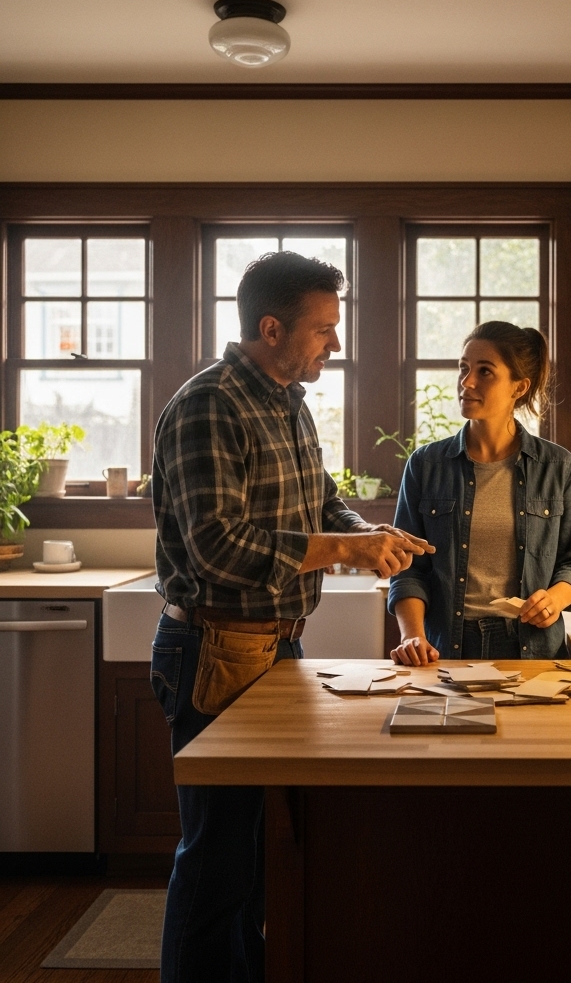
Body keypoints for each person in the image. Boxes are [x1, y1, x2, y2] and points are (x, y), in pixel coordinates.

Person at [148, 250, 433, 983]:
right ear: (271, 328)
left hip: (274, 649)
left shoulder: (287, 402)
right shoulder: (209, 404)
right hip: (215, 650)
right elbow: (216, 549)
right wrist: (344, 545)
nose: (334, 345)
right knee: (216, 861)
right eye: (322, 329)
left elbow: (322, 499)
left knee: (256, 854)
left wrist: (371, 538)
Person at [388, 321, 571, 665]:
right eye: (464, 368)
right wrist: (412, 635)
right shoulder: (425, 465)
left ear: (519, 387)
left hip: (535, 651)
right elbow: (408, 567)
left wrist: (555, 599)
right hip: (448, 650)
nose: (466, 382)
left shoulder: (557, 466)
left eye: (485, 371)